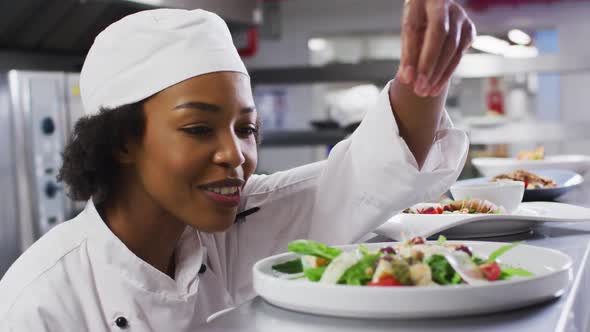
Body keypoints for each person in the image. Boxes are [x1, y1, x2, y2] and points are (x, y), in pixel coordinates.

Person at [0, 1, 474, 330]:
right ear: (124, 141)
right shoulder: (39, 303)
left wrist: (425, 69)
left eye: (245, 129)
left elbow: (372, 171)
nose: (235, 156)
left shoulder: (233, 227)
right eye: (199, 129)